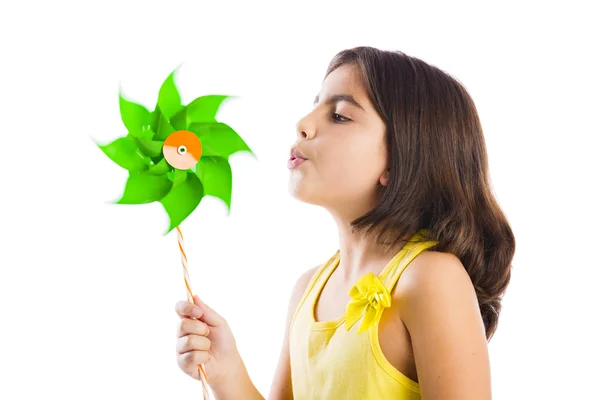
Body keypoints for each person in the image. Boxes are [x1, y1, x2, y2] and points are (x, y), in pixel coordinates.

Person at [174, 46, 515, 399]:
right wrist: (226, 371)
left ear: (399, 161)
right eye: (315, 105)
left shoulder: (431, 278)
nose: (303, 125)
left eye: (339, 115)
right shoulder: (307, 290)